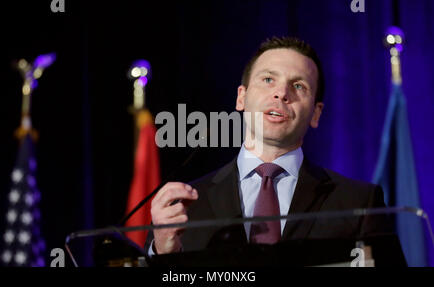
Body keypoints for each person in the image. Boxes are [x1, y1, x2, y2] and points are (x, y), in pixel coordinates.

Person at [147, 36, 388, 256]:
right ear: (241, 97)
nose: (281, 93)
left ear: (316, 113)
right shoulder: (186, 206)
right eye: (268, 79)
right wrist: (162, 252)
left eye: (298, 86)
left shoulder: (358, 203)